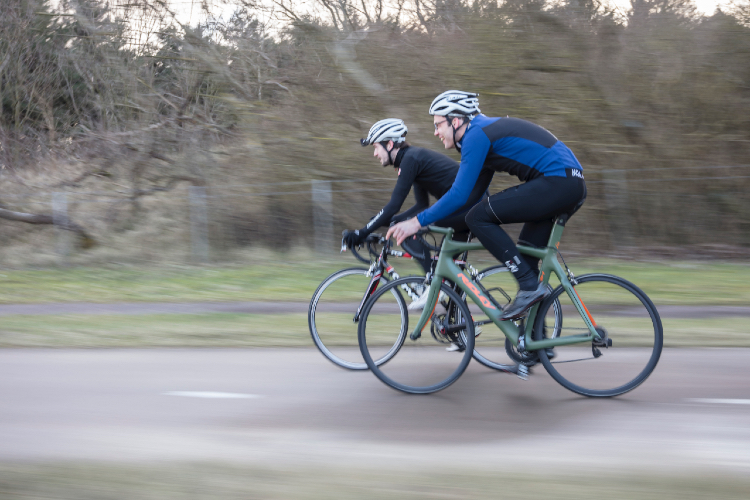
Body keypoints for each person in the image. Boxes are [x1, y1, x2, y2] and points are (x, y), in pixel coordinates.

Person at [387, 91, 587, 321]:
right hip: (567, 183)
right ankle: (534, 344)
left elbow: (459, 194)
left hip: (558, 182)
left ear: (456, 120)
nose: (435, 132)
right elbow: (472, 195)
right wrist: (433, 222)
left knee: (477, 218)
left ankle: (530, 287)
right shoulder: (481, 134)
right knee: (525, 261)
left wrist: (417, 222)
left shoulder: (476, 135)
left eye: (438, 124)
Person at [343, 118, 489, 310]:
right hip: (467, 207)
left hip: (470, 208)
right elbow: (422, 205)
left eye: (376, 147)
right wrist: (389, 221)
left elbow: (394, 205)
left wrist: (360, 233)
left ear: (389, 144)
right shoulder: (413, 159)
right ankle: (461, 331)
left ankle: (433, 282)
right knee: (449, 275)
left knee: (406, 231)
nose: (374, 153)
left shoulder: (411, 159)